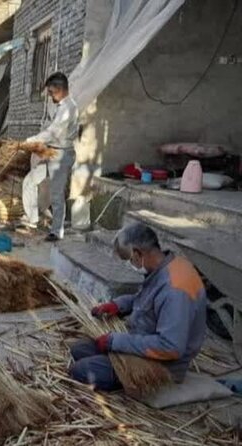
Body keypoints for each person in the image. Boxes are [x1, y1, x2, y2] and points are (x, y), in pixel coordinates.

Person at [69, 223, 207, 391]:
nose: (130, 264)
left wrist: (116, 341)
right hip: (140, 342)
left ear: (137, 253)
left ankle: (130, 381)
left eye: (128, 259)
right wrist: (117, 305)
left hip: (162, 364)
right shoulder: (165, 266)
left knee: (81, 371)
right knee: (78, 349)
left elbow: (170, 347)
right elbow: (147, 301)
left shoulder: (175, 290)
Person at [21, 72, 79, 242]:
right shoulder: (62, 107)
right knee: (30, 181)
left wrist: (30, 141)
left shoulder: (68, 109)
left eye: (52, 93)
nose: (50, 96)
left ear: (60, 90)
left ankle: (57, 231)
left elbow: (52, 132)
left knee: (56, 194)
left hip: (61, 155)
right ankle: (32, 219)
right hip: (51, 152)